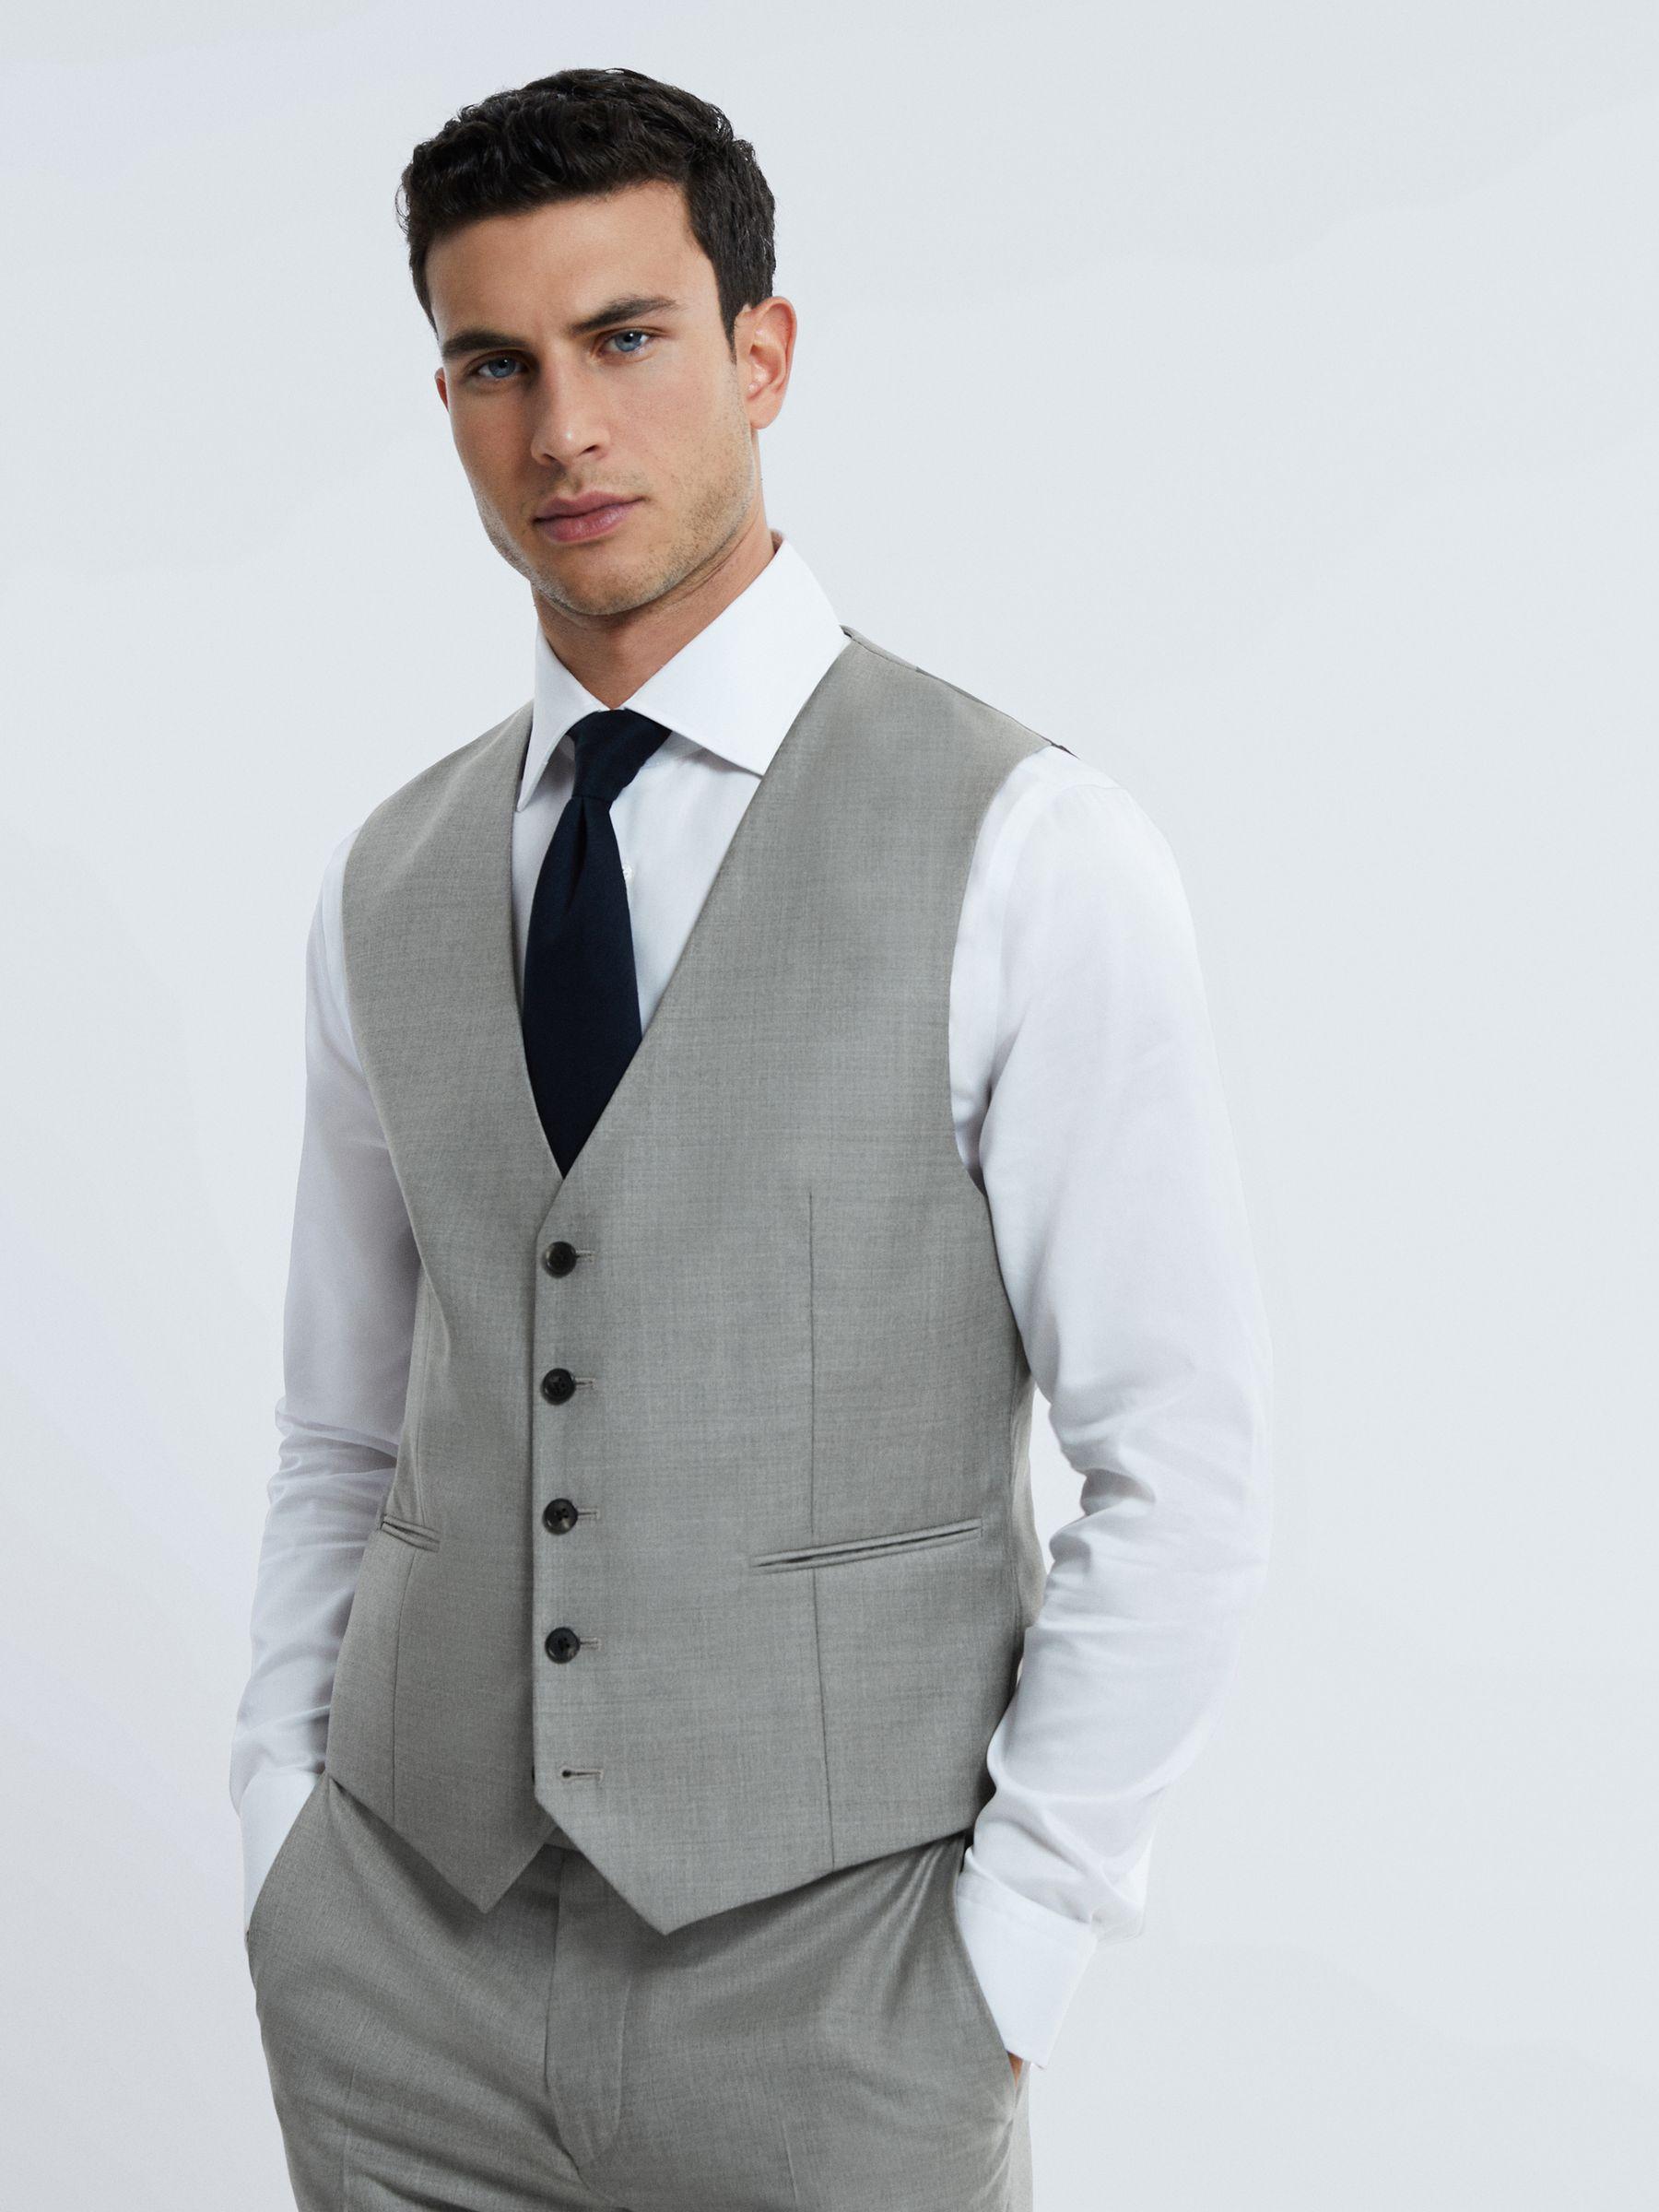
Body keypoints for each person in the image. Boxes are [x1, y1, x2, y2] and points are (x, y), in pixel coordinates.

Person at [229, 63, 1273, 2212]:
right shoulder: (387, 878)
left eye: (626, 338)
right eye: (495, 364)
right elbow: (343, 1433)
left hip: (836, 2006)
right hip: (402, 1977)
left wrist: (1009, 1964)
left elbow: (1179, 1464)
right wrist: (283, 1841)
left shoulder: (1026, 846)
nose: (563, 429)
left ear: (762, 354)